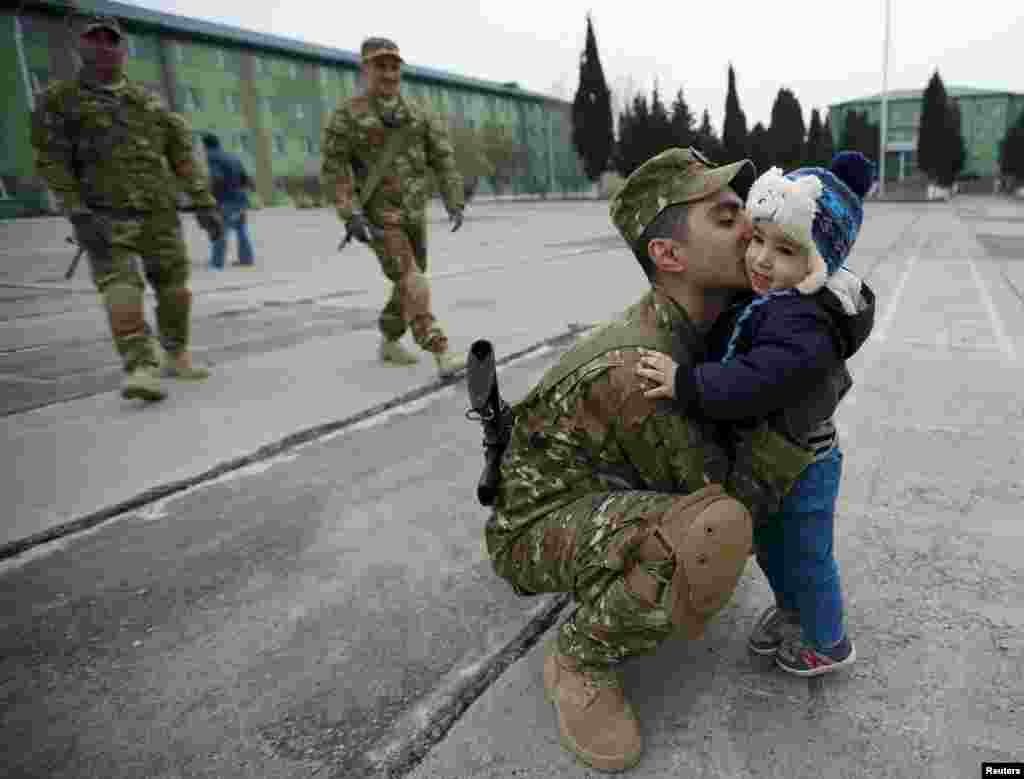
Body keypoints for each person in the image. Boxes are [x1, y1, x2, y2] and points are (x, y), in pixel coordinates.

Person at [486, 147, 767, 773]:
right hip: (533, 529)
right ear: (669, 257)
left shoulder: (705, 325)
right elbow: (725, 496)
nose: (751, 225)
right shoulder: (643, 365)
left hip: (591, 491)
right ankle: (580, 658)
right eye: (726, 218)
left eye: (745, 208)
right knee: (710, 532)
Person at [634, 152, 877, 677]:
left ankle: (829, 641)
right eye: (758, 240)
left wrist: (685, 383)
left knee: (807, 556)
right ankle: (795, 610)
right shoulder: (779, 297)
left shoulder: (805, 325)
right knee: (773, 547)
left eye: (786, 250)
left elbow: (752, 382)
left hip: (803, 467)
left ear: (821, 263)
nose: (762, 261)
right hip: (775, 462)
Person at [30, 15, 223, 402]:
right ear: (79, 47)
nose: (103, 47)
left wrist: (203, 202)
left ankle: (175, 354)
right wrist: (76, 211)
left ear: (123, 49)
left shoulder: (150, 100)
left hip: (159, 213)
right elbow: (52, 160)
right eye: (93, 40)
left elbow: (181, 154)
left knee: (175, 291)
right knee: (121, 289)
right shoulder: (59, 100)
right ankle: (139, 366)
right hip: (102, 214)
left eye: (111, 41)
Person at [321, 37, 467, 379]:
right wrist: (350, 212)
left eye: (393, 67)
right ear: (365, 69)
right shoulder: (347, 116)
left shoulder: (418, 113)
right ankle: (440, 349)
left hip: (414, 213)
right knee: (412, 280)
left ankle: (388, 338)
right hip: (379, 217)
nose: (388, 74)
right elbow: (335, 170)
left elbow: (442, 157)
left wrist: (453, 196)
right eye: (379, 66)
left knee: (407, 282)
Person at [201, 132, 255, 269]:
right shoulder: (232, 156)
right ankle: (246, 259)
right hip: (241, 198)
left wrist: (210, 196)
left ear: (205, 146)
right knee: (241, 229)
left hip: (226, 200)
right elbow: (245, 178)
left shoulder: (211, 157)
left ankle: (216, 263)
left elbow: (216, 178)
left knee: (220, 231)